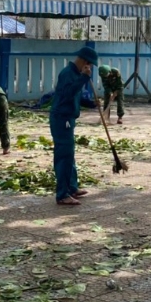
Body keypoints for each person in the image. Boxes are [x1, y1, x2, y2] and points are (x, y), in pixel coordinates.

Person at [50, 46, 98, 206]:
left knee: (69, 154)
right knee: (64, 155)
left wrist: (91, 104)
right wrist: (84, 78)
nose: (90, 68)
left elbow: (75, 96)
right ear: (85, 62)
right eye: (90, 64)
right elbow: (67, 94)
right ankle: (62, 194)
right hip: (61, 119)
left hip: (68, 119)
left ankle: (72, 187)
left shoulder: (75, 74)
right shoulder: (67, 74)